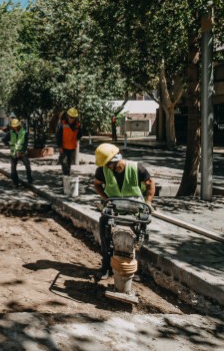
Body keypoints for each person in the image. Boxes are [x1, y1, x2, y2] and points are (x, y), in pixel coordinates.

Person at [92, 143, 155, 281]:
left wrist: (148, 202)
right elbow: (97, 184)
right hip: (114, 207)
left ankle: (134, 268)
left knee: (139, 235)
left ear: (115, 160)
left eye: (108, 164)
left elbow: (150, 183)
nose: (106, 167)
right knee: (104, 228)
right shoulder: (102, 170)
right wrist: (106, 198)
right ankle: (106, 266)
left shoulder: (136, 168)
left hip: (134, 207)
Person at [2, 118, 32, 186]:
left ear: (18, 126)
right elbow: (4, 139)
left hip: (22, 152)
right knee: (13, 168)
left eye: (15, 126)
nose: (14, 128)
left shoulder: (24, 132)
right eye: (13, 127)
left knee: (27, 165)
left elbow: (25, 143)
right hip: (14, 153)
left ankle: (29, 179)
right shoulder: (11, 133)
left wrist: (22, 151)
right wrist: (9, 144)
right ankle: (15, 182)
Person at [56, 108, 82, 176]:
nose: (72, 119)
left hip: (72, 147)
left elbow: (80, 134)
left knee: (69, 163)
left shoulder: (77, 125)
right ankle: (66, 178)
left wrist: (76, 138)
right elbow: (58, 136)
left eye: (73, 117)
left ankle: (67, 177)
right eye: (71, 117)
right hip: (64, 147)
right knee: (64, 163)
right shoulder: (62, 124)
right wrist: (59, 146)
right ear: (67, 116)